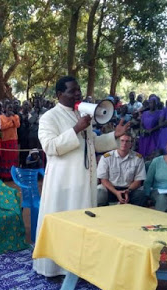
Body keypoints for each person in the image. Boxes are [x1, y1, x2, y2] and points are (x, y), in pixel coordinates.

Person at [33, 76, 130, 277]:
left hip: (84, 181)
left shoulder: (83, 115)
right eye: (72, 91)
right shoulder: (49, 117)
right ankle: (54, 269)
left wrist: (115, 136)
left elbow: (93, 143)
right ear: (59, 95)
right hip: (63, 182)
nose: (78, 93)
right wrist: (77, 128)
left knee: (82, 226)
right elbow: (50, 147)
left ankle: (77, 269)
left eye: (79, 89)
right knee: (62, 225)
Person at [97, 133, 147, 206]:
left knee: (141, 194)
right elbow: (103, 179)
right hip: (110, 188)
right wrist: (116, 192)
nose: (124, 143)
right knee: (100, 192)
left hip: (129, 189)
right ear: (117, 142)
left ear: (131, 144)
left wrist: (128, 191)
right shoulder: (106, 157)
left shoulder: (138, 158)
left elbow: (138, 180)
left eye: (127, 141)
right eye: (122, 141)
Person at [144, 137, 167, 214]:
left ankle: (155, 223)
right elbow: (148, 181)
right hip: (157, 192)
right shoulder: (157, 161)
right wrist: (146, 197)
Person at [0, 103, 20, 179]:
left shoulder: (16, 116)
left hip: (13, 140)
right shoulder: (1, 117)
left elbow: (17, 125)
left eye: (11, 108)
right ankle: (5, 175)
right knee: (5, 158)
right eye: (8, 108)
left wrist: (13, 117)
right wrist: (11, 123)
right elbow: (2, 127)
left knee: (13, 157)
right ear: (5, 108)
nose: (10, 109)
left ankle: (13, 175)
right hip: (5, 140)